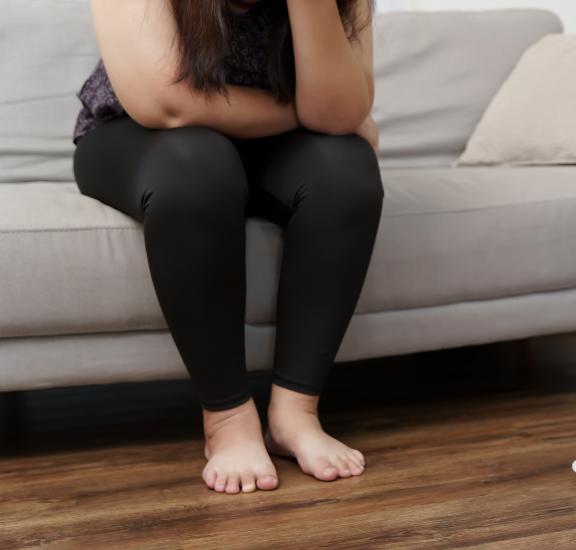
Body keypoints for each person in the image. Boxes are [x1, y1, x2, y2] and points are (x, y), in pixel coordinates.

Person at [72, 0, 382, 495]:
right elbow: (165, 103)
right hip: (142, 134)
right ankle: (227, 419)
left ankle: (295, 412)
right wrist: (310, 114)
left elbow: (340, 115)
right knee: (199, 165)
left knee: (346, 170)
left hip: (268, 139)